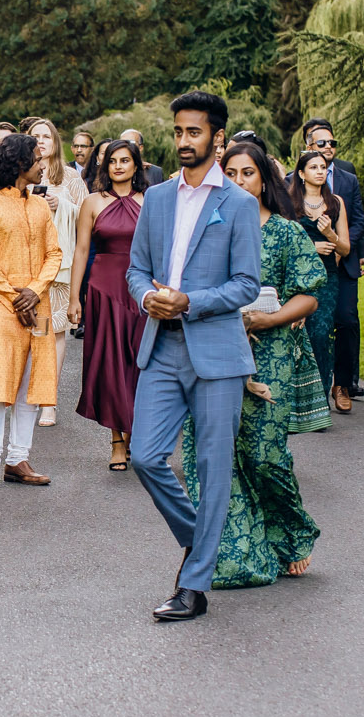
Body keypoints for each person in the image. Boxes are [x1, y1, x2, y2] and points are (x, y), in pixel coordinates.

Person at [124, 92, 262, 623]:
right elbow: (137, 268)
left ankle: (194, 584)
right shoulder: (156, 199)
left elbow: (247, 284)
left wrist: (191, 301)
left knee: (211, 467)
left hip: (217, 354)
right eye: (179, 132)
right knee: (144, 456)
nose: (184, 141)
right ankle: (200, 542)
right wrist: (145, 297)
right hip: (161, 345)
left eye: (194, 133)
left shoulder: (240, 205)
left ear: (217, 139)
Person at [185, 138, 329, 586]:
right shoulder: (206, 229)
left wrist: (269, 318)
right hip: (215, 351)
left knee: (264, 454)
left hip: (271, 354)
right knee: (218, 455)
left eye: (248, 173)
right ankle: (238, 553)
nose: (238, 181)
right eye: (230, 173)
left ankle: (292, 532)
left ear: (264, 179)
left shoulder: (286, 232)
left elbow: (308, 295)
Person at [0, 133, 61, 488]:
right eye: (36, 159)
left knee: (31, 384)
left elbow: (55, 254)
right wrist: (14, 297)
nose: (42, 165)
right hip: (2, 306)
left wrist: (34, 291)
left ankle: (18, 458)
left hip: (40, 303)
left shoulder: (39, 205)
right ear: (20, 163)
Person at [70, 139, 149, 471]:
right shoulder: (91, 202)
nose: (118, 166)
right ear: (106, 166)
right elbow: (81, 252)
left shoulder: (151, 201)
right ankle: (117, 439)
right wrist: (75, 298)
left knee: (140, 363)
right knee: (109, 364)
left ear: (136, 166)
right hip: (103, 288)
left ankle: (134, 433)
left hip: (142, 290)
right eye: (113, 161)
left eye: (125, 160)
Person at [17, 117, 85, 426]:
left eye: (47, 136)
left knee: (55, 332)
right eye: (36, 136)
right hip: (23, 263)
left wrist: (62, 204)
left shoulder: (69, 176)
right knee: (25, 330)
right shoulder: (19, 174)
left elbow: (88, 217)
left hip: (58, 266)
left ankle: (49, 401)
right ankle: (21, 396)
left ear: (56, 142)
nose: (42, 141)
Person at [300, 119, 364, 412]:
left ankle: (341, 384)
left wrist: (351, 248)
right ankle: (305, 389)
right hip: (307, 269)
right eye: (322, 144)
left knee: (346, 320)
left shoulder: (347, 178)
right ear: (308, 146)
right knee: (312, 327)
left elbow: (358, 219)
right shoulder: (293, 190)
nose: (329, 148)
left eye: (332, 143)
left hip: (340, 264)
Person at [290, 148, 350, 416]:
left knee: (321, 333)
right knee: (296, 333)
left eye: (323, 167)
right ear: (301, 173)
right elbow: (285, 242)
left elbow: (346, 248)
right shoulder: (289, 202)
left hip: (327, 277)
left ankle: (320, 404)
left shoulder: (336, 202)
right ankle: (294, 398)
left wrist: (331, 236)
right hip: (297, 276)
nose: (320, 171)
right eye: (313, 167)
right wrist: (311, 245)